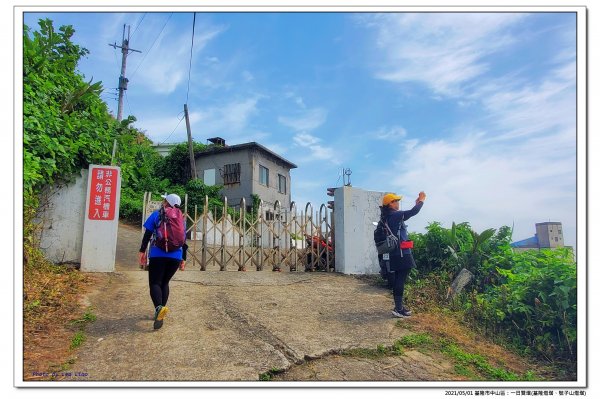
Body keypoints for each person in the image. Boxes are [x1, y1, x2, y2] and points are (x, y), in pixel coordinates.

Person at [138, 193, 187, 330]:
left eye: (164, 199)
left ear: (166, 202)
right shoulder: (181, 219)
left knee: (155, 282)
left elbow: (147, 235)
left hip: (158, 254)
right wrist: (183, 258)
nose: (162, 201)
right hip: (176, 256)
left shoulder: (156, 215)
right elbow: (183, 241)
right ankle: (160, 312)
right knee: (165, 282)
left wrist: (142, 251)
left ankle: (159, 309)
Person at [379, 191, 426, 318]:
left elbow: (408, 214)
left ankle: (399, 307)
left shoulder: (388, 216)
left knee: (399, 279)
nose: (398, 203)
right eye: (395, 201)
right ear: (390, 204)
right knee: (400, 279)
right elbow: (413, 212)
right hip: (401, 253)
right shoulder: (394, 215)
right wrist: (421, 200)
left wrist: (417, 203)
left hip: (395, 252)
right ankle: (398, 309)